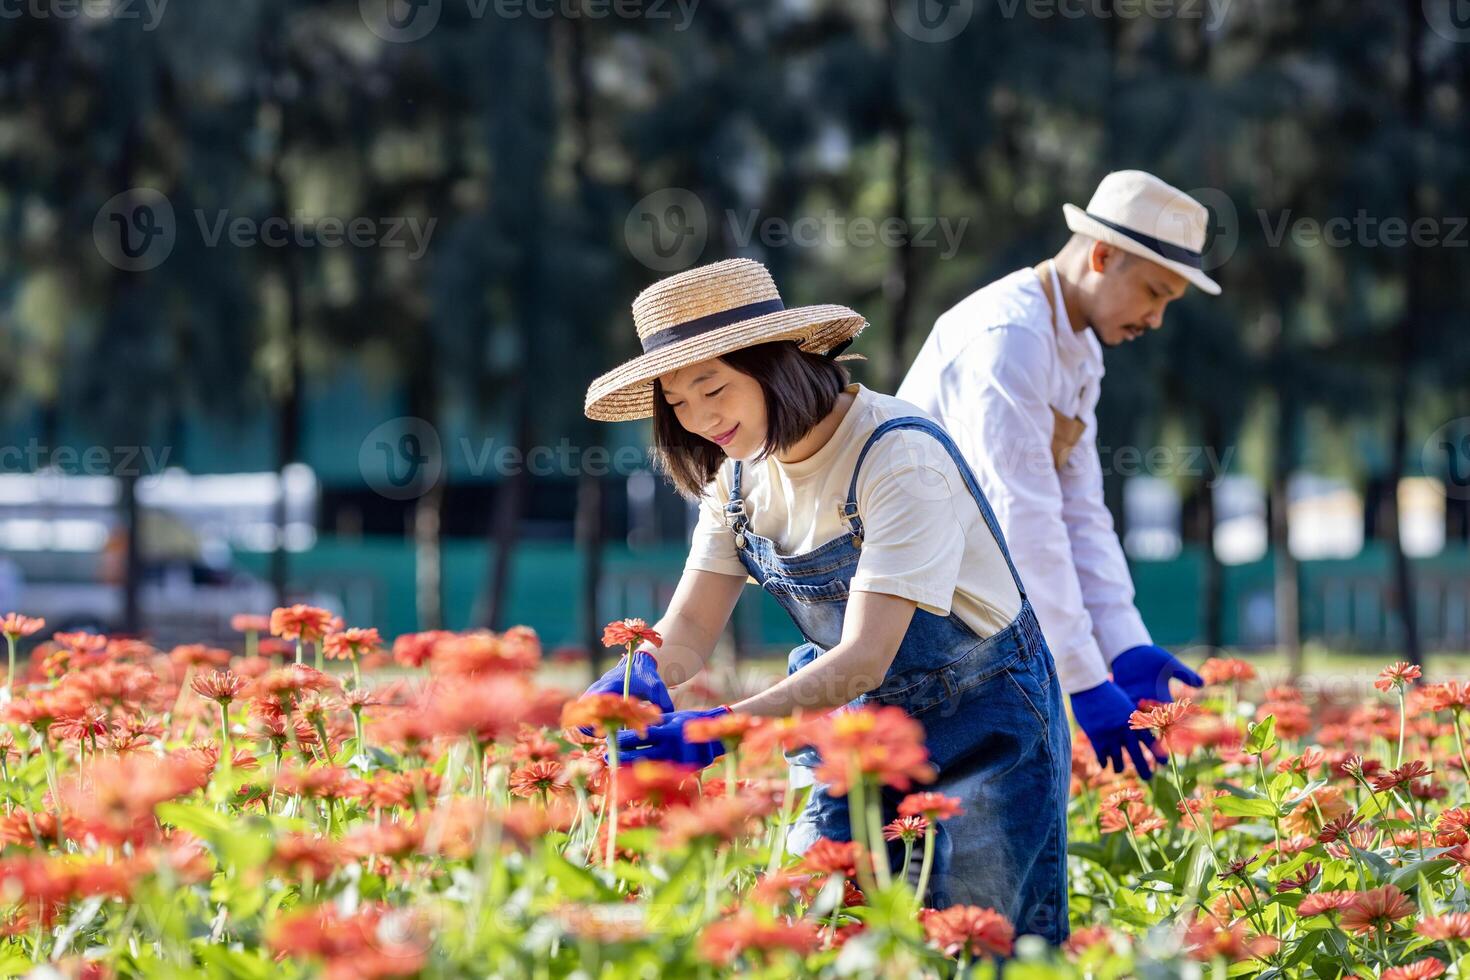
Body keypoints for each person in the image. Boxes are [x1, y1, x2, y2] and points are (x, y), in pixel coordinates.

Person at [579, 257, 1070, 943]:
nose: (698, 418)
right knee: (830, 932)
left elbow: (865, 657)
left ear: (775, 361)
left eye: (711, 387)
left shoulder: (896, 454)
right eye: (678, 403)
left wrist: (721, 728)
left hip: (980, 726)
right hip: (850, 733)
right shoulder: (737, 480)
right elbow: (690, 625)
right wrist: (643, 676)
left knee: (982, 945)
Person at [897, 170, 1220, 780]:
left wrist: (1125, 644)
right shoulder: (1009, 338)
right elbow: (1025, 518)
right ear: (1102, 255)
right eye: (1154, 292)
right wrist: (1085, 678)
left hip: (970, 611)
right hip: (916, 621)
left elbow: (1081, 514)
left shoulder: (1077, 347)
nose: (1155, 320)